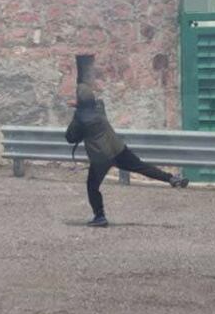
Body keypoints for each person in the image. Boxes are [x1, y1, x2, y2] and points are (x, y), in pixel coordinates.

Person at [64, 83, 189, 227]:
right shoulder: (99, 107)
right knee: (141, 167)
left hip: (101, 158)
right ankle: (172, 178)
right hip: (118, 149)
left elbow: (70, 137)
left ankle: (100, 217)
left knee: (92, 187)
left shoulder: (80, 119)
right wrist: (81, 105)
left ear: (80, 101)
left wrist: (77, 111)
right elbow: (95, 102)